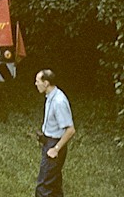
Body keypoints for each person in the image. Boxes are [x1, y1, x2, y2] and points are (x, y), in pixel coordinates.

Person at [34, 69, 75, 197]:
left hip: (54, 145)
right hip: (49, 142)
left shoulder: (58, 102)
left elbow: (70, 130)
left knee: (44, 185)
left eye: (37, 81)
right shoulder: (51, 96)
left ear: (46, 83)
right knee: (54, 184)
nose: (36, 84)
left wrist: (56, 149)